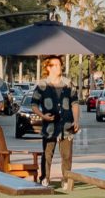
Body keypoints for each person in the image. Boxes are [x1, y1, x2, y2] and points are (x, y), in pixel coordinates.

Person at [33, 55, 79, 189]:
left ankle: (66, 180)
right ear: (48, 67)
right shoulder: (42, 85)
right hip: (49, 125)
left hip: (67, 124)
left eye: (60, 65)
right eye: (56, 65)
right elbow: (34, 105)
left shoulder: (68, 83)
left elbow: (75, 103)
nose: (59, 67)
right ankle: (45, 178)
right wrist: (43, 116)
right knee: (47, 154)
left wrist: (76, 120)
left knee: (67, 155)